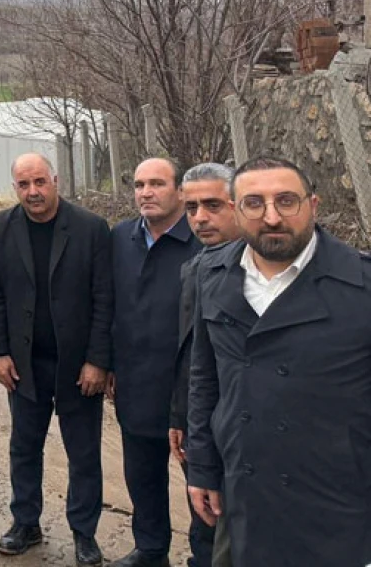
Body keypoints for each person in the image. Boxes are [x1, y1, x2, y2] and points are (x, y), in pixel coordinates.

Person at [187, 156, 371, 566]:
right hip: (244, 494)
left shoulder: (361, 285)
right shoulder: (213, 274)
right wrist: (202, 467)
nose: (271, 217)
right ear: (235, 210)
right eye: (254, 203)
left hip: (336, 505)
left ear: (313, 205)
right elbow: (205, 379)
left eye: (286, 201)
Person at [0, 153, 110, 566]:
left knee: (84, 453)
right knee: (24, 446)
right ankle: (26, 523)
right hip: (25, 364)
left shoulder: (90, 228)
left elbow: (104, 298)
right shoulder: (0, 227)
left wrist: (97, 360)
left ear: (55, 180)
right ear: (15, 188)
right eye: (24, 184)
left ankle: (84, 532)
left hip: (77, 367)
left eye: (40, 182)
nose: (33, 192)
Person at [109, 157, 201, 567]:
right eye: (139, 184)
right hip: (134, 378)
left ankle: (205, 556)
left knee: (199, 478)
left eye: (157, 184)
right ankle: (150, 549)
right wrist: (106, 361)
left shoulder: (201, 241)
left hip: (189, 384)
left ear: (180, 191)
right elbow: (106, 303)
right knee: (142, 473)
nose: (146, 192)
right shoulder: (120, 238)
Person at [169, 163, 239, 567]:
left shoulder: (267, 270)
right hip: (205, 425)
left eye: (213, 205)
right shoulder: (199, 267)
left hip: (250, 433)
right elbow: (193, 357)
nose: (200, 218)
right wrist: (180, 417)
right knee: (206, 523)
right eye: (192, 207)